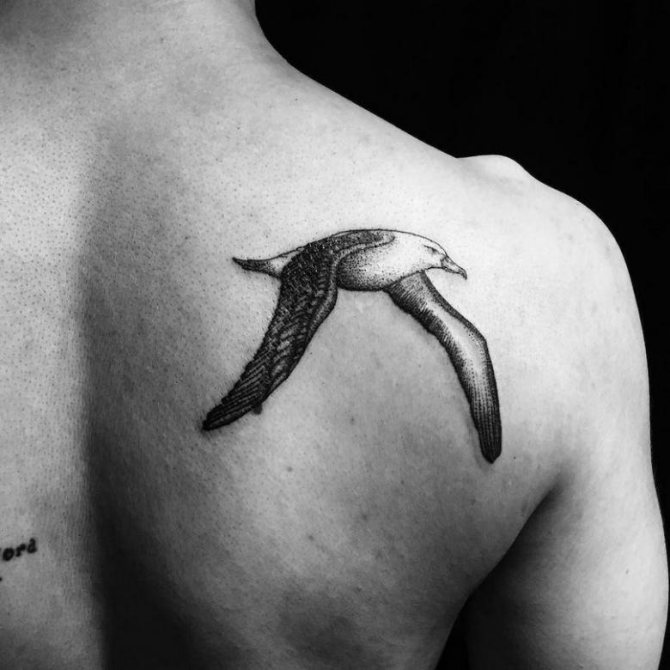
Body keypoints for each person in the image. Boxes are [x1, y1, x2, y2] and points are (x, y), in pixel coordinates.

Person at [0, 1, 666, 668]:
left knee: (462, 337)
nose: (445, 262)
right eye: (438, 256)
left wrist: (484, 410)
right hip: (309, 267)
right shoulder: (554, 279)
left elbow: (459, 335)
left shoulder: (447, 268)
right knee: (299, 331)